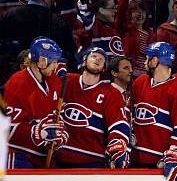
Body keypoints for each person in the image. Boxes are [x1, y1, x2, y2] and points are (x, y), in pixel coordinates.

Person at [57, 47, 130, 168]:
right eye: (94, 56)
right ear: (84, 61)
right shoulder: (66, 81)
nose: (97, 60)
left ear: (104, 68)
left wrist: (118, 143)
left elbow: (119, 124)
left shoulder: (111, 93)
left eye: (102, 59)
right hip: (59, 156)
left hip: (91, 161)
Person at [131, 42, 177, 181]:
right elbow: (130, 115)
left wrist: (174, 155)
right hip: (134, 159)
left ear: (155, 61)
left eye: (148, 58)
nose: (145, 62)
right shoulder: (139, 82)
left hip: (158, 163)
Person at [4, 37, 68, 168]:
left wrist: (60, 133)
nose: (56, 66)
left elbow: (54, 117)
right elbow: (7, 128)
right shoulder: (18, 82)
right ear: (42, 61)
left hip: (43, 156)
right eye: (54, 62)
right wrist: (36, 132)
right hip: (19, 155)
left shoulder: (53, 81)